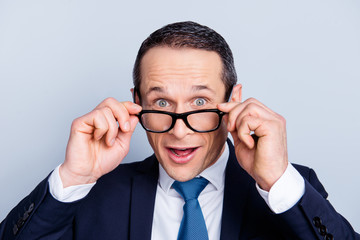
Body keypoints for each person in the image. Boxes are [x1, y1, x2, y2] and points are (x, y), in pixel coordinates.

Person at [0, 21, 358, 240]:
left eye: (200, 104)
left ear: (233, 101)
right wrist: (73, 177)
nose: (179, 132)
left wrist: (278, 180)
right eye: (161, 104)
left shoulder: (287, 190)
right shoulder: (95, 193)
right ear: (136, 103)